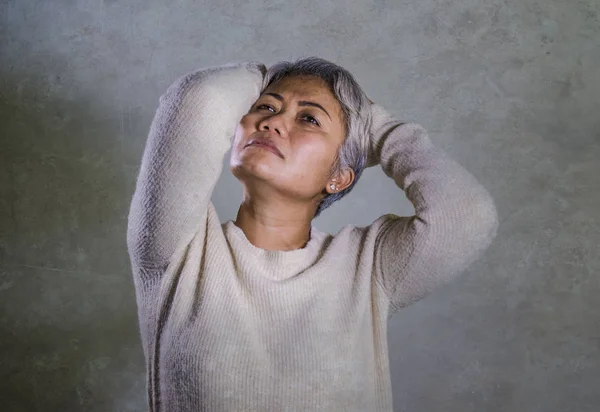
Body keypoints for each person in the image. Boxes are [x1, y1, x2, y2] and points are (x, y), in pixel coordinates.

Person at [127, 57, 499, 412]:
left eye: (308, 119)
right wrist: (271, 75)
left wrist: (380, 128)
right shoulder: (180, 251)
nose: (272, 123)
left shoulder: (368, 268)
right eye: (266, 108)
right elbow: (199, 98)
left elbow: (468, 216)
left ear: (338, 177)